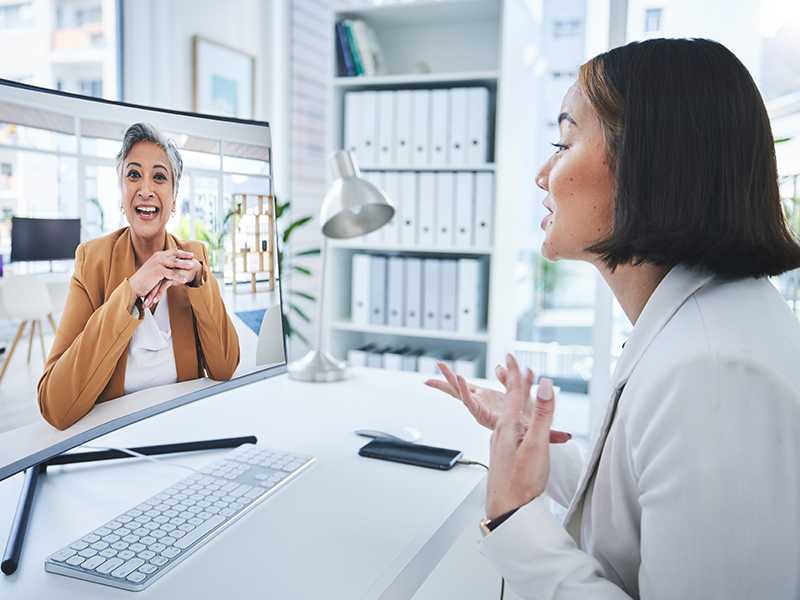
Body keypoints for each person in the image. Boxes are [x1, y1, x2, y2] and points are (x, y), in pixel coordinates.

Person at [426, 38, 800, 598]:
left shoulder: (713, 371)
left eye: (564, 141)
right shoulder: (703, 323)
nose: (541, 174)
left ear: (649, 164)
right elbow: (646, 498)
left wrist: (512, 520)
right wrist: (539, 444)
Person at [38, 123, 239, 430]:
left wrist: (199, 280)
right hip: (114, 440)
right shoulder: (92, 260)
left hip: (186, 429)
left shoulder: (193, 256)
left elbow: (224, 368)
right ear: (122, 193)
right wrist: (130, 290)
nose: (145, 189)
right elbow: (55, 404)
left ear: (173, 199)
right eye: (133, 175)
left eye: (159, 176)